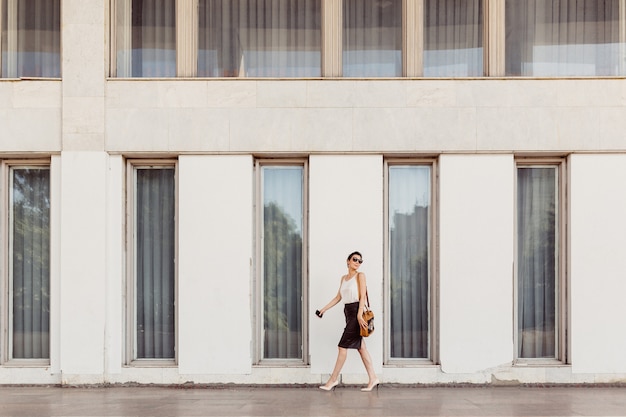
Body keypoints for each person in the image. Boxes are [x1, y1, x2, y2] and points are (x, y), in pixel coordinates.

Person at [316, 251, 379, 392]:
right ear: (348, 261)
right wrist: (323, 309)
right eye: (355, 259)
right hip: (348, 312)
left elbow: (362, 296)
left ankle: (332, 380)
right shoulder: (343, 278)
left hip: (357, 311)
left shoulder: (360, 276)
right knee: (361, 348)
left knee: (342, 347)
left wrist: (359, 315)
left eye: (360, 261)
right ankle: (373, 378)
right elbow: (338, 297)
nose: (357, 262)